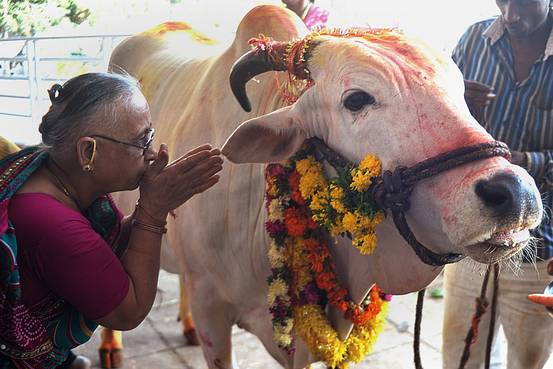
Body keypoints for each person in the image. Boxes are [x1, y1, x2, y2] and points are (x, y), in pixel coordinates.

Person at [0, 72, 223, 369]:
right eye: (142, 142)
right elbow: (127, 311)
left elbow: (104, 247)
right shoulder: (52, 224)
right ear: (87, 151)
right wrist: (152, 213)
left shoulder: (58, 172)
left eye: (151, 137)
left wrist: (154, 205)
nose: (153, 154)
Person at [442, 1, 553, 368]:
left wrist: (525, 162)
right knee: (462, 355)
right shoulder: (474, 40)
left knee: (528, 359)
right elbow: (436, 129)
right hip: (472, 233)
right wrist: (458, 108)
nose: (510, 15)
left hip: (540, 246)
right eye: (502, 1)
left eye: (521, 3)